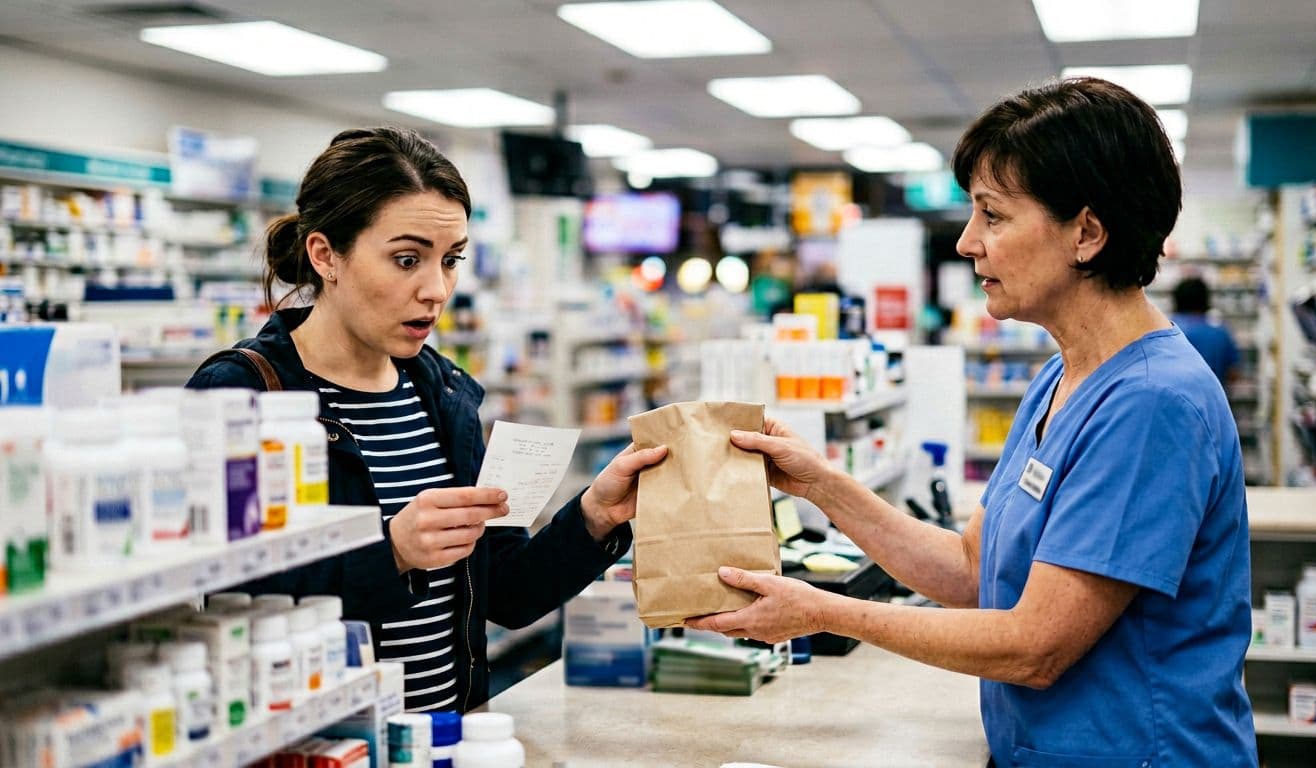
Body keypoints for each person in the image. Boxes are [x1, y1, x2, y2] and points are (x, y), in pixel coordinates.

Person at [688, 78, 1256, 765]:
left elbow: (1037, 646)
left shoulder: (1153, 402)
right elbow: (971, 570)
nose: (966, 243)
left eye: (993, 215)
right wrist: (820, 485)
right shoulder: (1062, 376)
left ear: (1087, 232)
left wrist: (821, 610)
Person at [187, 127, 665, 712]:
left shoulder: (442, 392)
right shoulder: (243, 395)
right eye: (406, 259)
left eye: (451, 260)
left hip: (447, 735)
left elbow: (506, 593)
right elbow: (219, 603)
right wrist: (390, 553)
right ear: (325, 255)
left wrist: (595, 516)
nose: (437, 290)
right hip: (319, 743)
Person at [1172, 276, 1241, 384]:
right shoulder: (1220, 331)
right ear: (1206, 299)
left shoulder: (1168, 329)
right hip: (1214, 397)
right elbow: (1233, 374)